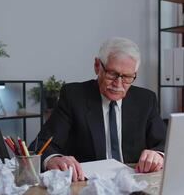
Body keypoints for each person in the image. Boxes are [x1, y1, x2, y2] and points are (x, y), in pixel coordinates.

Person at [33, 37, 166, 182]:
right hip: (89, 185)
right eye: (112, 74)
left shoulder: (145, 100)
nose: (118, 84)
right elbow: (41, 145)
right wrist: (53, 159)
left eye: (127, 77)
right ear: (97, 66)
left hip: (134, 184)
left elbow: (166, 143)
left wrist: (158, 154)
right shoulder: (74, 97)